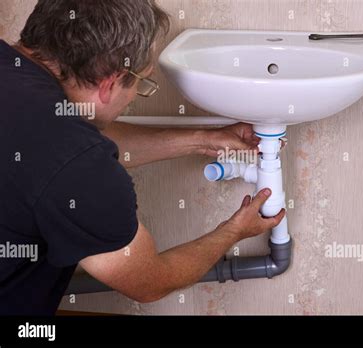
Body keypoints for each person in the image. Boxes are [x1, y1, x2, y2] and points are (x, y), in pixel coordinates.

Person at [0, 0, 285, 315]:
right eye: (141, 81)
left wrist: (202, 140)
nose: (135, 95)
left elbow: (60, 144)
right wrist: (234, 231)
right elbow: (148, 282)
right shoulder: (77, 164)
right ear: (109, 84)